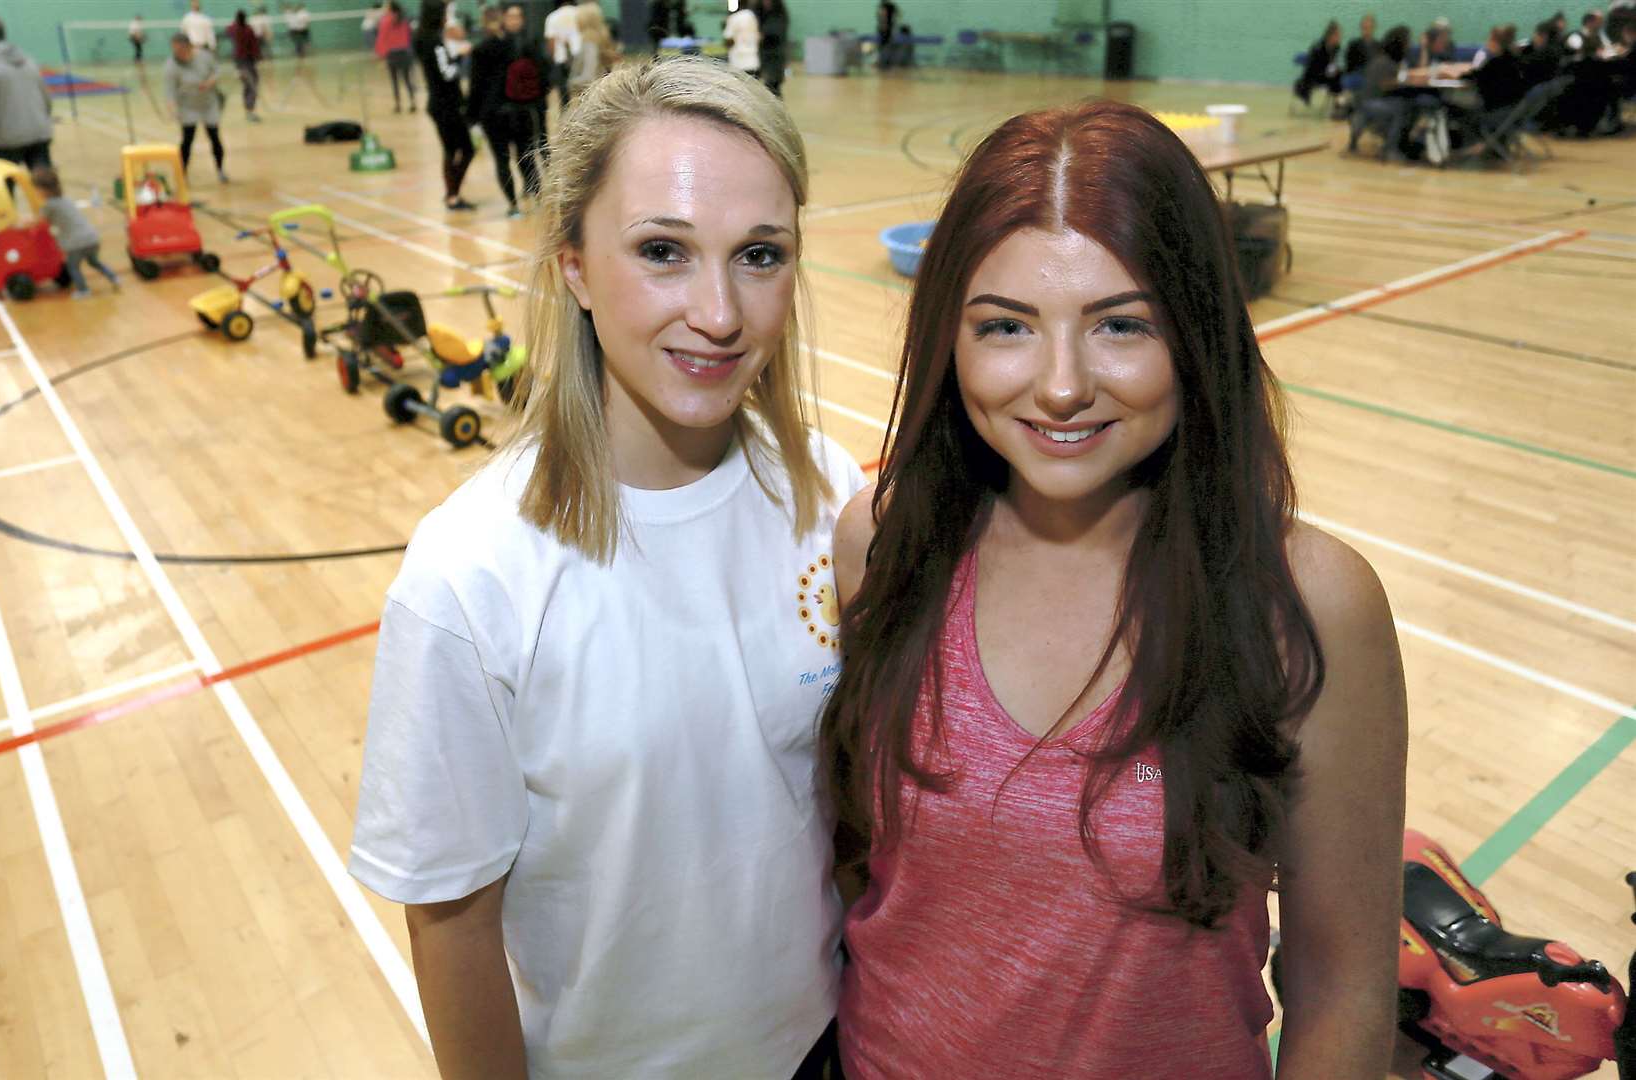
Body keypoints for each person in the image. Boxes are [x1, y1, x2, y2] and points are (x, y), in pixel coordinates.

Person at [818, 99, 1407, 1080]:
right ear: (947, 340)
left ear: (1195, 334)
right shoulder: (879, 543)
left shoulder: (1307, 606)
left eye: (1119, 324)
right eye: (1005, 326)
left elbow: (1340, 985)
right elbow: (862, 879)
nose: (1058, 385)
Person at [349, 53, 861, 1080]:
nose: (719, 312)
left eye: (759, 255)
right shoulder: (470, 577)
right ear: (573, 263)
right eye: (663, 251)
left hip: (824, 1047)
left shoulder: (829, 498)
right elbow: (450, 925)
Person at [467, 1, 547, 216]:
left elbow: (476, 87)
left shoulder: (481, 49)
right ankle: (539, 200)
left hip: (493, 114)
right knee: (526, 156)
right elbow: (540, 75)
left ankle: (513, 206)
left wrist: (471, 118)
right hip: (520, 109)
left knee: (502, 160)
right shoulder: (521, 46)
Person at [412, 0, 475, 210]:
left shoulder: (421, 39)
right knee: (466, 149)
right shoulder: (435, 43)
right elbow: (447, 73)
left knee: (451, 150)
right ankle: (453, 195)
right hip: (447, 104)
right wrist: (460, 56)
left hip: (438, 103)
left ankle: (451, 193)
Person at [0, 15, 53, 168]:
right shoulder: (28, 61)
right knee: (43, 189)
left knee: (4, 190)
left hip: (5, 142)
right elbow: (47, 102)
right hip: (40, 135)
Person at [32, 166, 120, 298]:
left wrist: (21, 222)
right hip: (91, 238)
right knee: (94, 262)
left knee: (73, 267)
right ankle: (114, 278)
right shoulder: (65, 199)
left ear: (42, 190)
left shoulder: (49, 205)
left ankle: (83, 290)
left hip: (76, 243)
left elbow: (38, 222)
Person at [164, 32, 229, 182]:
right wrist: (172, 107)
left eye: (180, 48)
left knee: (214, 136)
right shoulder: (171, 65)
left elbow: (218, 71)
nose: (177, 52)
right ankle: (182, 174)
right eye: (175, 49)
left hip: (208, 103)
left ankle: (220, 171)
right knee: (187, 140)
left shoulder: (204, 56)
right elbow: (170, 90)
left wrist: (210, 82)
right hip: (188, 107)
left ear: (189, 46)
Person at [1352, 24, 1414, 159]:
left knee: (1400, 103)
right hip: (1371, 102)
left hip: (1367, 101)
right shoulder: (1385, 62)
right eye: (1408, 41)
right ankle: (1390, 149)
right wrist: (1404, 82)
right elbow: (1385, 85)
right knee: (1401, 107)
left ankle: (1394, 144)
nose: (1410, 44)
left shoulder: (1384, 59)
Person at [565, 2, 614, 99]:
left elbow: (588, 77)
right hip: (601, 93)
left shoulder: (589, 43)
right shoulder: (601, 37)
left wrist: (570, 82)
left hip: (592, 97)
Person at [377, 1, 417, 113]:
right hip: (405, 52)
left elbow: (382, 39)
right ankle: (413, 103)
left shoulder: (385, 21)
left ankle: (398, 105)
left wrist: (381, 55)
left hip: (392, 54)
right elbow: (409, 37)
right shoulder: (404, 20)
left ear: (390, 9)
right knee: (407, 79)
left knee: (394, 81)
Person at [1294, 20, 1343, 105]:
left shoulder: (1336, 47)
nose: (1339, 37)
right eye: (1337, 35)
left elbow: (1332, 63)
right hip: (1313, 76)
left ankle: (1338, 100)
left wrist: (1333, 69)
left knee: (1340, 74)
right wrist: (1331, 70)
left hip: (1325, 74)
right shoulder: (1318, 47)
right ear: (1330, 36)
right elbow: (1313, 68)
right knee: (1336, 76)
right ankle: (1338, 100)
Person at [226, 10, 263, 122]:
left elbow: (228, 29)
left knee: (248, 85)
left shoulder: (234, 29)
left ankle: (249, 110)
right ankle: (249, 110)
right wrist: (258, 56)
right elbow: (254, 44)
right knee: (252, 85)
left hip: (240, 61)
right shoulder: (248, 29)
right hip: (246, 61)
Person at [544, 0, 579, 108]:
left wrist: (552, 58)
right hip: (579, 58)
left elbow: (551, 42)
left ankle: (566, 115)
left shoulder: (552, 17)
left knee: (563, 93)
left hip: (561, 58)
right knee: (583, 90)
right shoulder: (580, 14)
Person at [758, 0, 790, 97]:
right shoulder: (762, 15)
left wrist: (762, 35)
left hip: (775, 54)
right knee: (769, 85)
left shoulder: (779, 16)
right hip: (765, 53)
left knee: (773, 84)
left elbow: (776, 33)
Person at [724, 0, 762, 80]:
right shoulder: (753, 16)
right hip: (753, 61)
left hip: (739, 62)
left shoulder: (734, 18)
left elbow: (728, 40)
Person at [875, 0, 898, 69]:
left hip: (885, 28)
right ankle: (886, 62)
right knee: (887, 45)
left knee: (884, 45)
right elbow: (897, 15)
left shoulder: (885, 6)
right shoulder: (891, 6)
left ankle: (884, 62)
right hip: (888, 28)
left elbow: (882, 15)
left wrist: (884, 25)